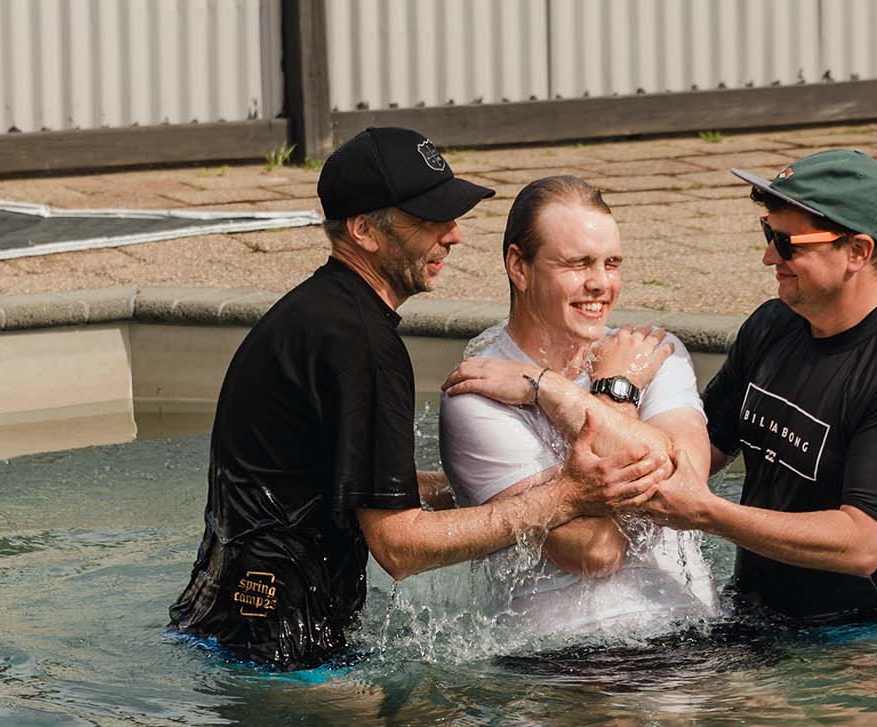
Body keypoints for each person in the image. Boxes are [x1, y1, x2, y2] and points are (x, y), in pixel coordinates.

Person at [168, 129, 670, 670]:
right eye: (429, 219)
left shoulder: (314, 315)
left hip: (222, 621)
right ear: (364, 230)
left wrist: (474, 486)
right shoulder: (364, 347)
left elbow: (329, 488)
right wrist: (564, 498)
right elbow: (400, 547)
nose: (452, 236)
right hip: (286, 658)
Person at [641, 149, 877, 623]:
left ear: (858, 252)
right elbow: (704, 447)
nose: (770, 256)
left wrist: (706, 513)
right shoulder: (772, 326)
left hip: (875, 636)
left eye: (789, 244)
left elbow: (861, 544)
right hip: (760, 614)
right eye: (769, 234)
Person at [437, 175, 717, 643]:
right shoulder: (476, 394)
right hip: (566, 666)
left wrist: (552, 391)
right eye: (577, 264)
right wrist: (617, 396)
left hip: (697, 640)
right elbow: (593, 549)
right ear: (518, 267)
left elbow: (688, 490)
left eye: (612, 263)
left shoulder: (650, 352)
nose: (601, 284)